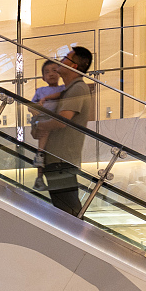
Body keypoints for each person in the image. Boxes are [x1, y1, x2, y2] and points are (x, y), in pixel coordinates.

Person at [34, 45, 96, 216]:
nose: (61, 61)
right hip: (58, 160)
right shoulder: (68, 90)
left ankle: (80, 241)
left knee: (68, 212)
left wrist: (40, 126)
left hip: (61, 161)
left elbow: (62, 120)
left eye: (66, 58)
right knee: (65, 210)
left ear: (73, 66)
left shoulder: (77, 88)